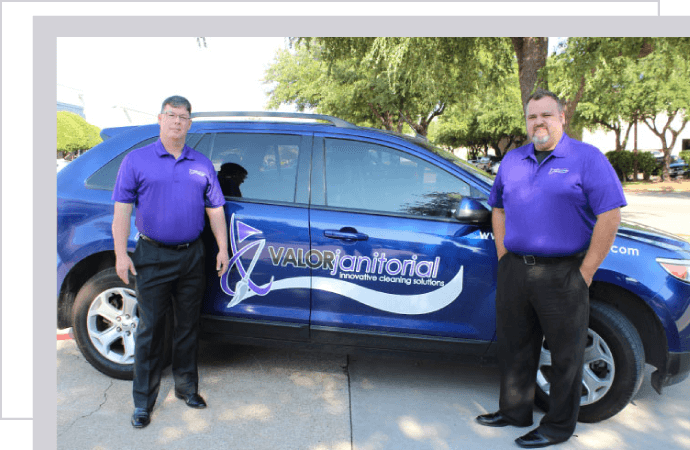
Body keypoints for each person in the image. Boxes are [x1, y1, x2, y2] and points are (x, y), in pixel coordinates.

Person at [478, 89, 626, 448]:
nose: (538, 122)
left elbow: (610, 214)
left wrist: (587, 270)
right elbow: (497, 207)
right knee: (515, 346)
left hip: (563, 273)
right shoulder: (512, 160)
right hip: (515, 269)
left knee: (565, 355)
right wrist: (502, 252)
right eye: (532, 117)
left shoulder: (586, 158)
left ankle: (558, 427)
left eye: (546, 115)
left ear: (562, 118)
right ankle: (514, 411)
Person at [112, 95, 230, 428]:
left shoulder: (202, 163)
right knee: (150, 329)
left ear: (190, 123)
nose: (177, 121)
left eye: (184, 117)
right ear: (160, 119)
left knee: (188, 326)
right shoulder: (137, 160)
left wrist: (222, 248)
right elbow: (122, 210)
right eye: (171, 115)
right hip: (152, 255)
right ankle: (142, 402)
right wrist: (121, 254)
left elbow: (215, 209)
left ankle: (186, 388)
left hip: (192, 254)